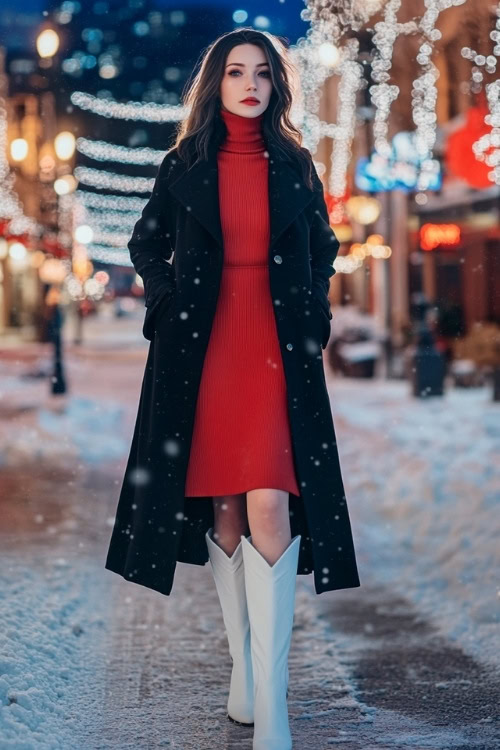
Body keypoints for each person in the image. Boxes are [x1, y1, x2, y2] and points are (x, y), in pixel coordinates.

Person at [105, 27, 360, 750]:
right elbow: (145, 243)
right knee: (223, 509)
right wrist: (165, 304)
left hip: (276, 353)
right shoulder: (183, 163)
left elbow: (326, 248)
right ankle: (245, 673)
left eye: (262, 74)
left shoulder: (297, 166)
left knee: (270, 505)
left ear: (277, 87)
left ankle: (272, 706)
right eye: (236, 73)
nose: (250, 84)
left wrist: (313, 307)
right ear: (216, 85)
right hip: (205, 350)